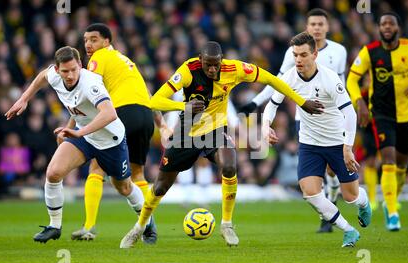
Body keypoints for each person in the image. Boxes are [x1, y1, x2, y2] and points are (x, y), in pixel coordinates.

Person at [119, 41, 324, 248]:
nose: (212, 69)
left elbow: (271, 79)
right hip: (186, 132)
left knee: (229, 164)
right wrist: (184, 105)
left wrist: (301, 102)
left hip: (216, 129)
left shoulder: (234, 69)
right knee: (161, 186)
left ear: (221, 60)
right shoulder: (188, 70)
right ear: (200, 60)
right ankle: (139, 227)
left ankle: (226, 224)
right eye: (208, 64)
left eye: (216, 64)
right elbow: (155, 101)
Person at [5, 46, 145, 243]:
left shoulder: (91, 84)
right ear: (57, 69)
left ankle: (147, 222)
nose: (70, 75)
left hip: (109, 140)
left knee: (123, 187)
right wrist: (24, 99)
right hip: (84, 137)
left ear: (80, 65)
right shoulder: (54, 75)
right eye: (65, 71)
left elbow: (109, 113)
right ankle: (54, 226)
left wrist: (78, 131)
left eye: (73, 69)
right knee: (53, 173)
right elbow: (42, 77)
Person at [240, 8, 347, 233]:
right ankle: (327, 216)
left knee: (332, 171)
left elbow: (342, 85)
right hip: (304, 118)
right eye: (312, 24)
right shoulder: (294, 52)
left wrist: (348, 111)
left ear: (327, 27)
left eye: (320, 24)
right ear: (307, 28)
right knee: (314, 173)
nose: (317, 27)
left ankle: (333, 197)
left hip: (332, 117)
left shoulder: (339, 52)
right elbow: (278, 81)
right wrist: (256, 103)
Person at [262, 32, 372, 247]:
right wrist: (266, 127)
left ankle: (363, 202)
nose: (298, 60)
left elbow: (350, 114)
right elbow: (272, 104)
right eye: (295, 55)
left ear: (315, 54)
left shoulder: (330, 78)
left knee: (351, 197)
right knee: (310, 193)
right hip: (309, 143)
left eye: (303, 55)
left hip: (337, 143)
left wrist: (348, 148)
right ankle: (348, 230)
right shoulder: (289, 77)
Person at [346, 12, 408, 231]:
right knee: (387, 160)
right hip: (381, 114)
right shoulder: (370, 51)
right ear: (379, 28)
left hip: (406, 116)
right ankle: (392, 212)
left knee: (402, 164)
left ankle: (392, 200)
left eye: (391, 23)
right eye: (383, 23)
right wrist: (359, 102)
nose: (387, 26)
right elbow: (352, 78)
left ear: (398, 27)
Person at [70, 23, 158, 242]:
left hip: (123, 112)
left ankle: (89, 226)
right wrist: (161, 122)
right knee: (138, 174)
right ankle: (149, 227)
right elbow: (146, 93)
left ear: (106, 42)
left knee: (96, 167)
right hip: (145, 116)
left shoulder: (98, 59)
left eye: (94, 39)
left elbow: (84, 95)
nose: (88, 45)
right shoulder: (126, 61)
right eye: (86, 40)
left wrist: (71, 125)